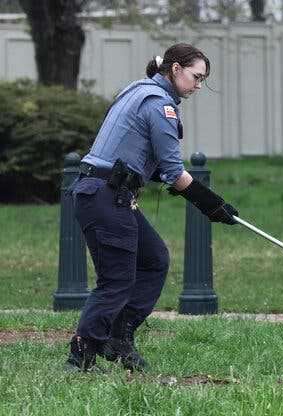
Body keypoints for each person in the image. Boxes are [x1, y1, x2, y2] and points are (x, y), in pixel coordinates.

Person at [66, 43, 239, 372]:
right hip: (106, 194)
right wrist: (213, 206)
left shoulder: (137, 89)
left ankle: (119, 335)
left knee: (153, 259)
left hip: (104, 192)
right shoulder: (160, 105)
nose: (199, 85)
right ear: (175, 69)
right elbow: (174, 173)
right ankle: (81, 356)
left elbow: (139, 151)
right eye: (196, 77)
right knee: (115, 281)